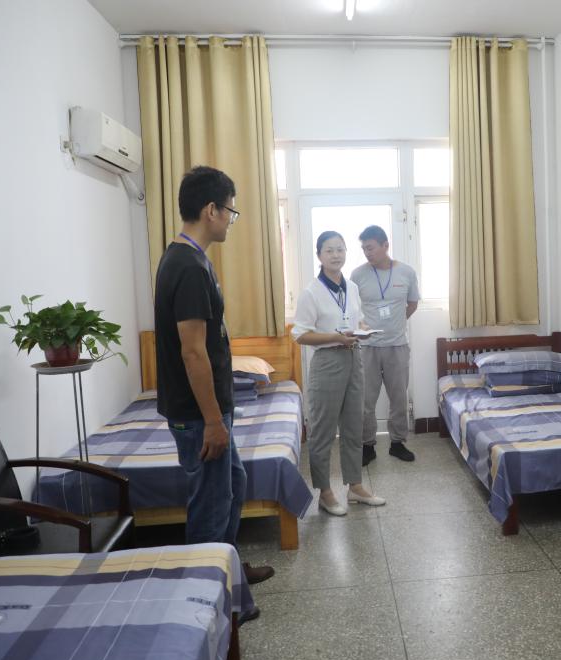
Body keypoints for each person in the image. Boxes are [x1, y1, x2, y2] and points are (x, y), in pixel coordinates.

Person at [153, 165, 274, 600]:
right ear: (211, 210)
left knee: (233, 484)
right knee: (210, 504)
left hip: (206, 409)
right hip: (197, 414)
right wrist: (212, 421)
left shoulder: (189, 258)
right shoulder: (187, 266)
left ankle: (229, 568)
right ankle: (207, 602)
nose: (231, 220)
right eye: (230, 211)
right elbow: (193, 352)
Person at [293, 231, 386, 516]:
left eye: (340, 249)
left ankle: (355, 486)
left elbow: (356, 319)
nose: (336, 255)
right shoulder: (311, 292)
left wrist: (364, 329)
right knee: (322, 430)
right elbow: (300, 335)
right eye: (329, 250)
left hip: (354, 357)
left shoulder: (352, 288)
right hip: (327, 362)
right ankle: (325, 492)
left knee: (353, 426)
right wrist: (336, 337)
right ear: (319, 255)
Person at [351, 225, 420, 465]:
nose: (367, 253)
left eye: (370, 248)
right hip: (368, 347)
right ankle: (367, 445)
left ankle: (397, 443)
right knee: (365, 400)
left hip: (397, 345)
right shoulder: (358, 275)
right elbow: (351, 309)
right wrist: (362, 326)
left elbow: (412, 303)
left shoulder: (406, 272)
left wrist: (396, 323)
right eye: (364, 248)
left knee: (399, 398)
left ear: (385, 245)